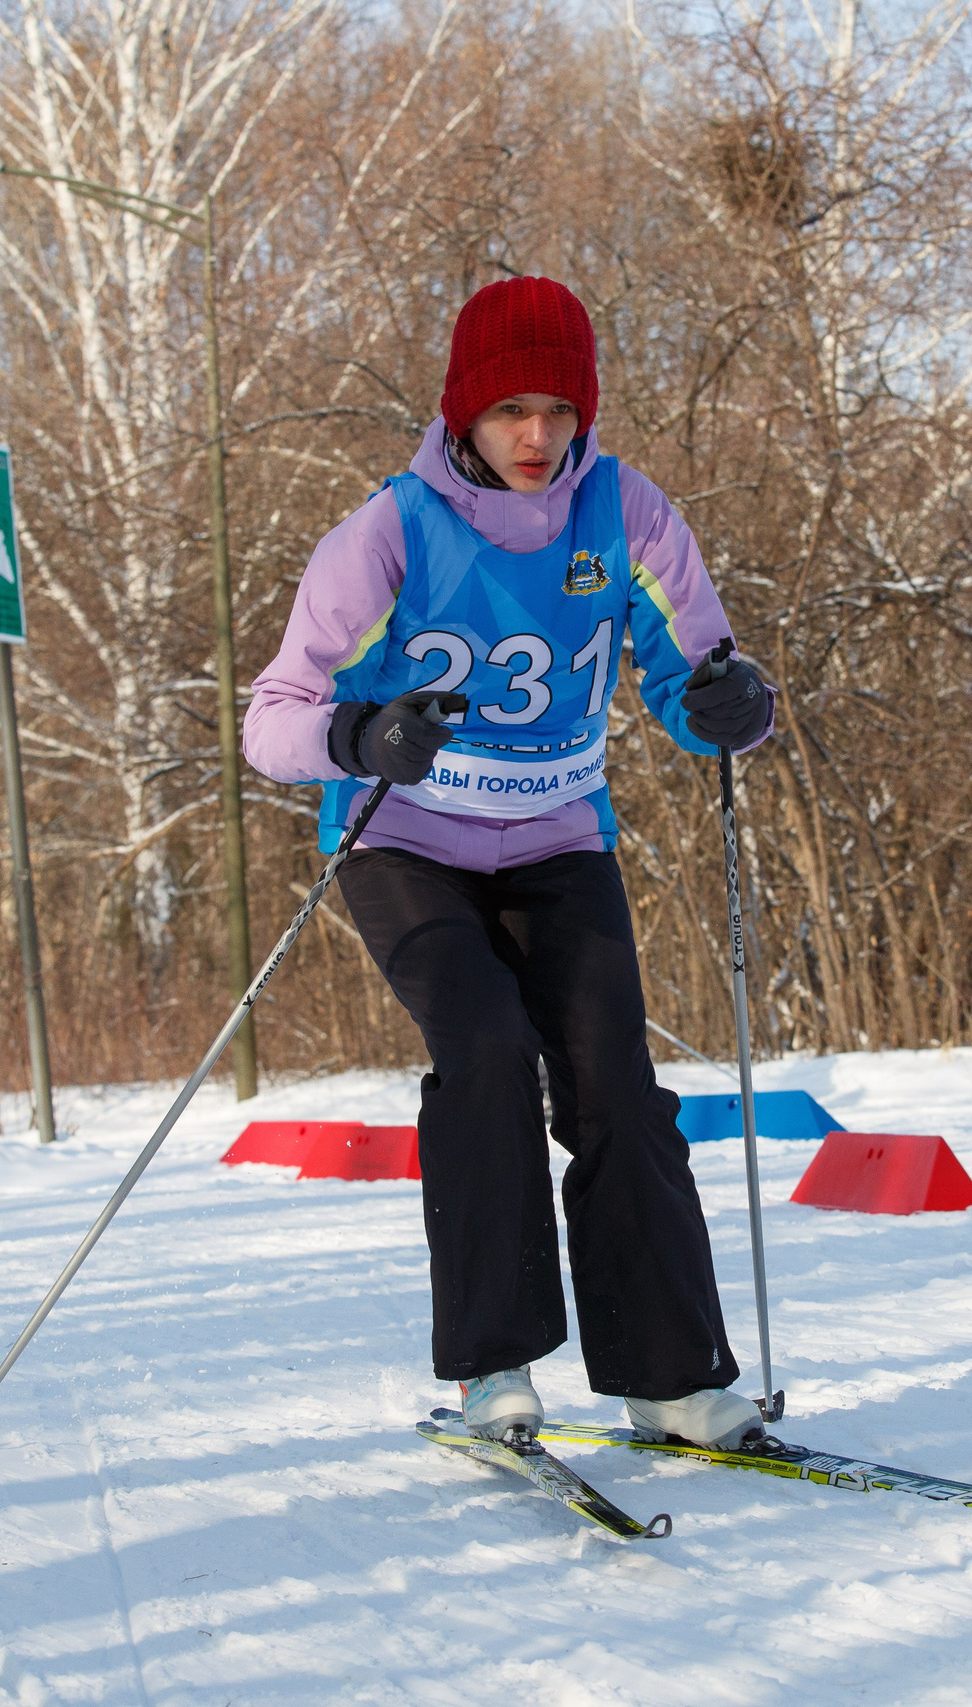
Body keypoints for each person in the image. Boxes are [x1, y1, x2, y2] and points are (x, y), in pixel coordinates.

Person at [242, 276, 779, 1451]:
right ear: (462, 416)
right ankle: (498, 1368)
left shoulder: (627, 515)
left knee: (614, 1084)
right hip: (405, 843)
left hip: (555, 837)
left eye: (555, 409)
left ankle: (669, 1376)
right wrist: (358, 735)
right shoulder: (387, 532)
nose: (535, 437)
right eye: (507, 413)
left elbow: (697, 677)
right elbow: (271, 716)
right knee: (484, 1052)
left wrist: (733, 704)